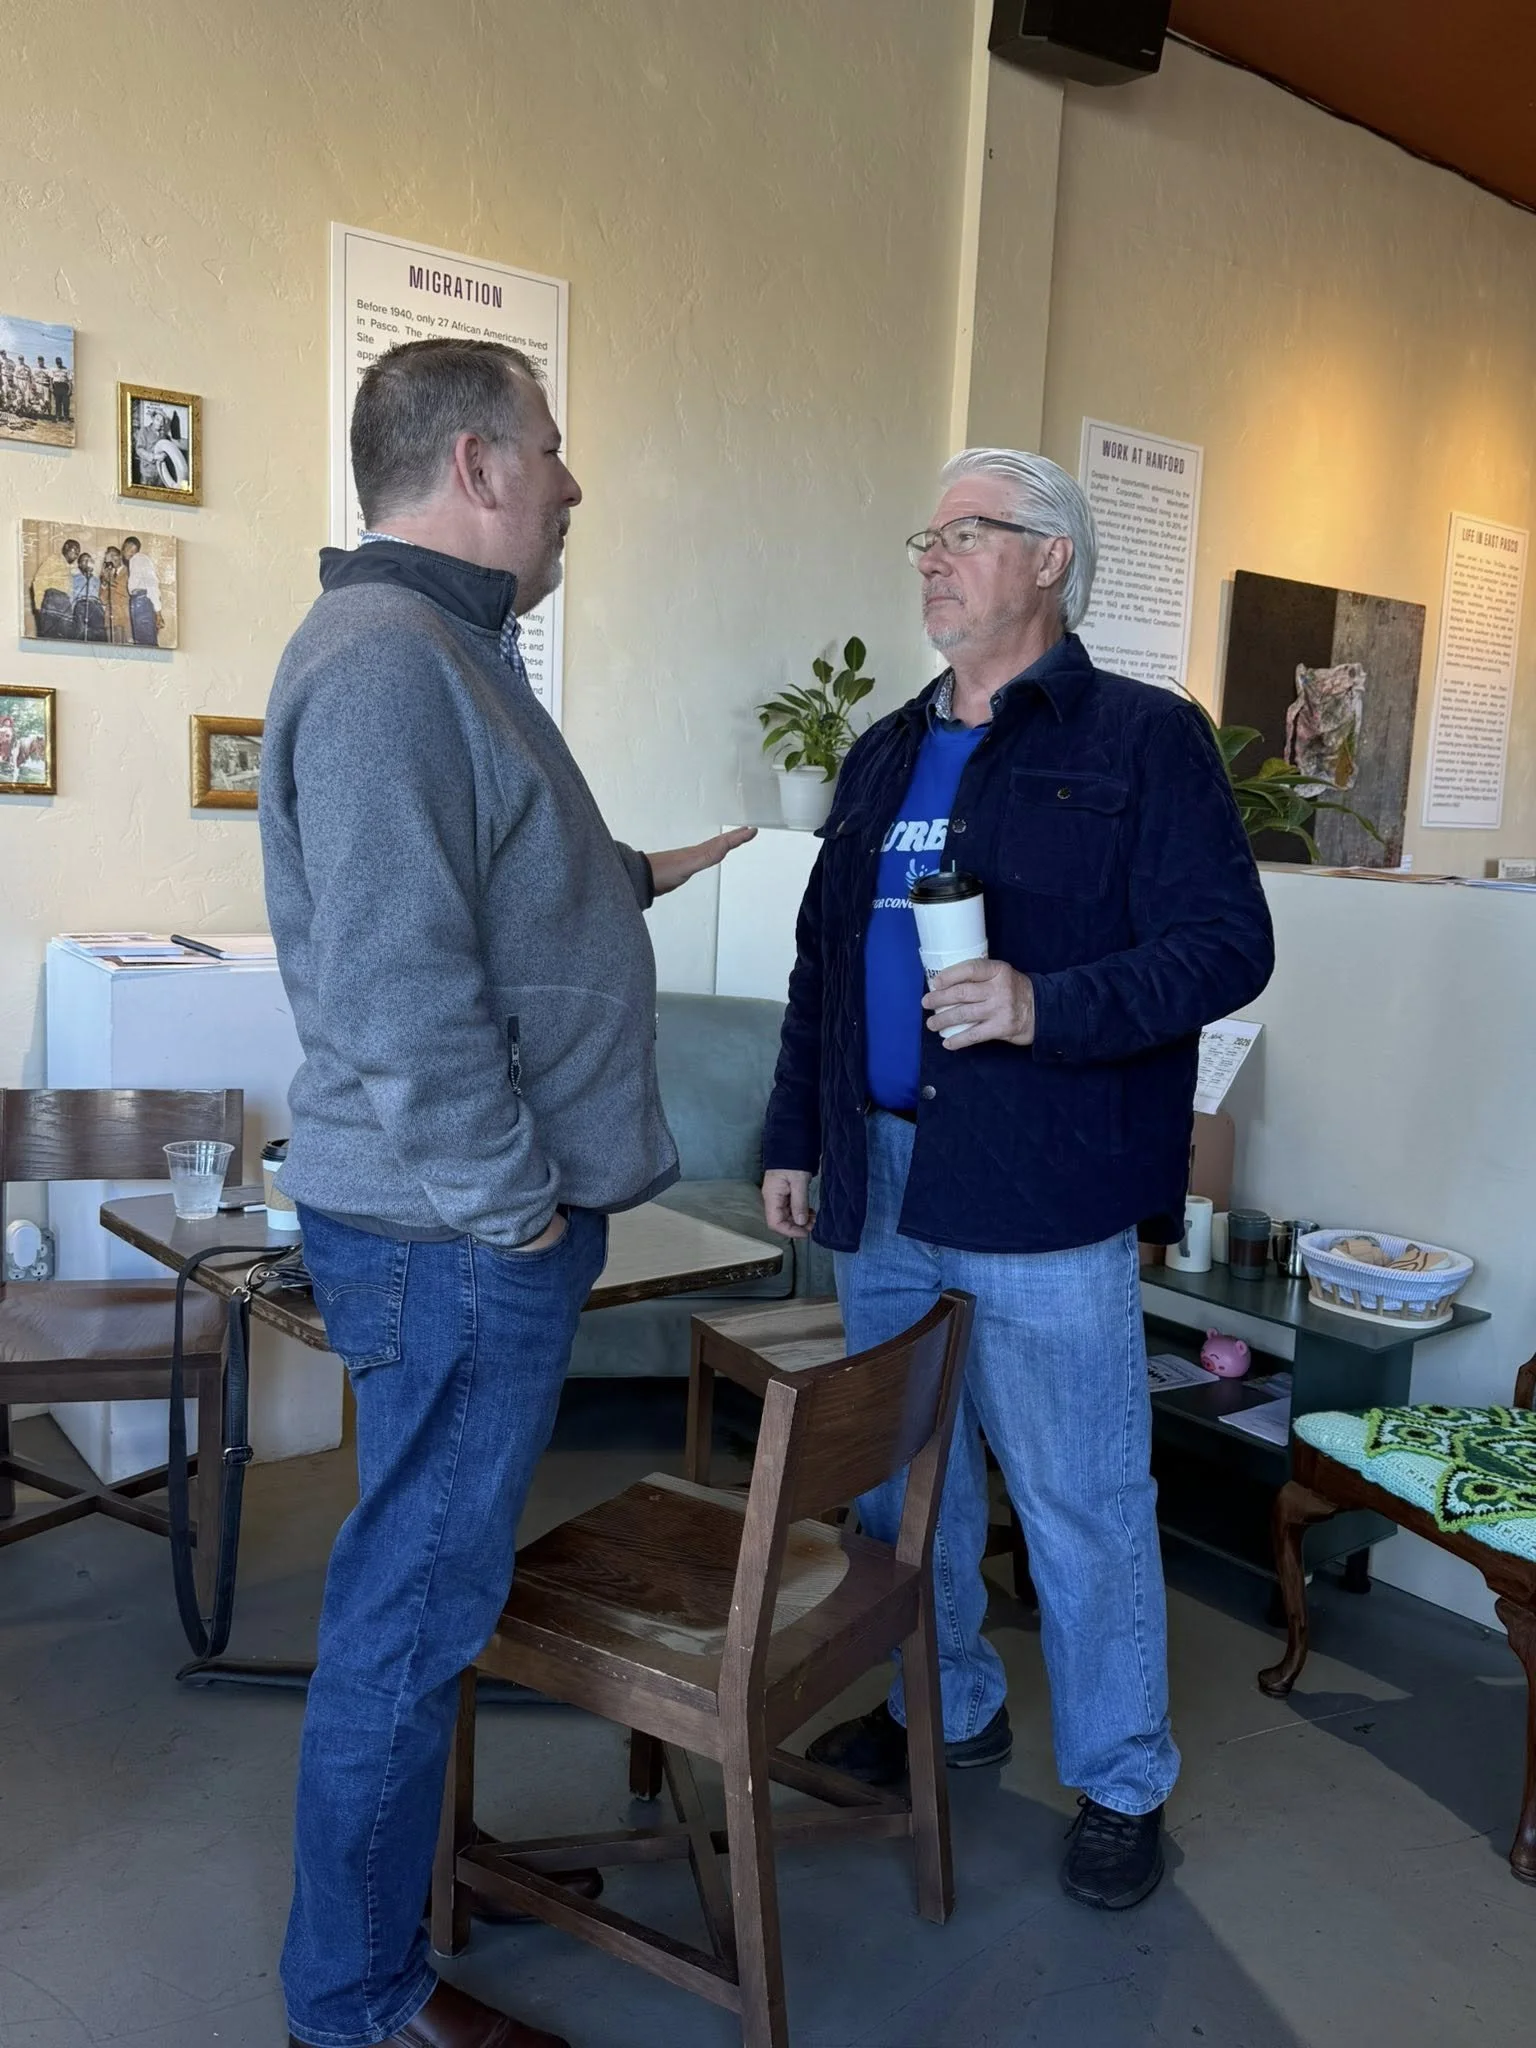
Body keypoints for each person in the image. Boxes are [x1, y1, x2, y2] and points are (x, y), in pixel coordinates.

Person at [262, 335, 752, 2048]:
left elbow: (492, 879)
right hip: (460, 1233)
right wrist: (517, 1211)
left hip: (465, 1227)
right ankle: (358, 1999)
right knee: (409, 1618)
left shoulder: (447, 652)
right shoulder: (396, 662)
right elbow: (403, 988)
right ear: (475, 464)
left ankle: (372, 1946)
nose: (572, 479)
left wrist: (634, 872)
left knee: (424, 1596)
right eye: (550, 446)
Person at [761, 448, 1274, 1914]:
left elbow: (1225, 949)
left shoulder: (1140, 739)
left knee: (1081, 1499)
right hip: (883, 1175)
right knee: (901, 1486)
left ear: (1050, 557)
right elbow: (821, 966)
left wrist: (1044, 1004)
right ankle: (950, 1709)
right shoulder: (879, 752)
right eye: (926, 535)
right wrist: (797, 1135)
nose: (933, 558)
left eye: (967, 534)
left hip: (1043, 1183)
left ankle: (1124, 1783)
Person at [30, 536, 80, 637]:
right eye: (75, 550)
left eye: (78, 553)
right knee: (50, 635)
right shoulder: (53, 559)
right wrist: (39, 606)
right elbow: (39, 580)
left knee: (64, 638)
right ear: (66, 547)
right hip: (52, 600)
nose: (77, 554)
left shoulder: (68, 568)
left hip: (65, 605)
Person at [121, 535, 162, 645]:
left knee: (146, 642)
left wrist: (158, 613)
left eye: (125, 548)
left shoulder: (139, 559)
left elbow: (152, 585)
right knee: (141, 641)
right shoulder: (134, 561)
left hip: (142, 601)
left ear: (127, 547)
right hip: (138, 601)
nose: (124, 552)